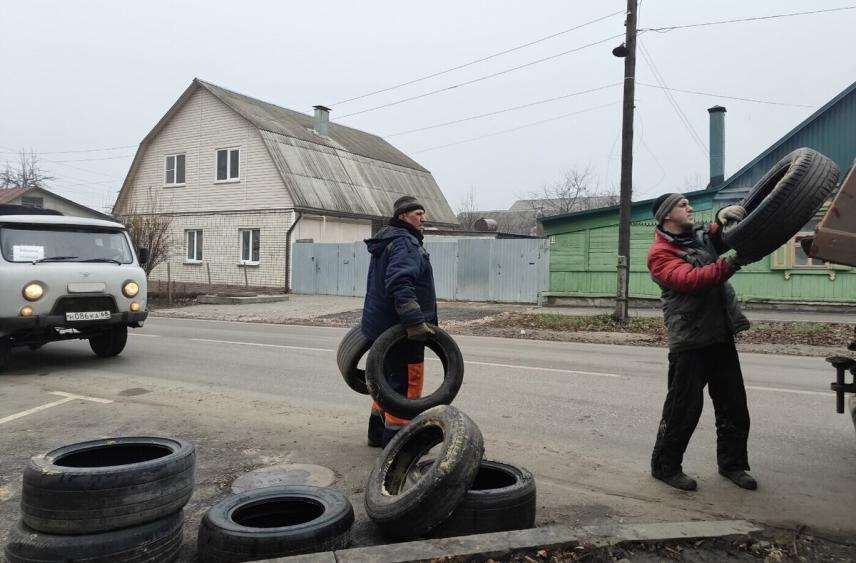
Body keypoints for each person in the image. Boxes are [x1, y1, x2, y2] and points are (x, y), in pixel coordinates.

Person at [647, 192, 759, 491]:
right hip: (690, 342)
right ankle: (665, 466)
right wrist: (733, 261)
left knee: (734, 407)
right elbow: (693, 281)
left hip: (720, 335)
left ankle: (732, 465)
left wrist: (724, 216)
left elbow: (721, 234)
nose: (690, 207)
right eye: (683, 205)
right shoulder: (659, 254)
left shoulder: (700, 237)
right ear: (667, 215)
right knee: (683, 410)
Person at [361, 195, 438, 447]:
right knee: (407, 386)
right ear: (403, 216)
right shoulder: (405, 243)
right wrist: (415, 321)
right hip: (403, 331)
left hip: (383, 329)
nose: (423, 218)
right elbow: (400, 283)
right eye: (417, 213)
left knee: (386, 382)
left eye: (423, 213)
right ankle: (399, 445)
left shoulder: (388, 240)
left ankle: (377, 432)